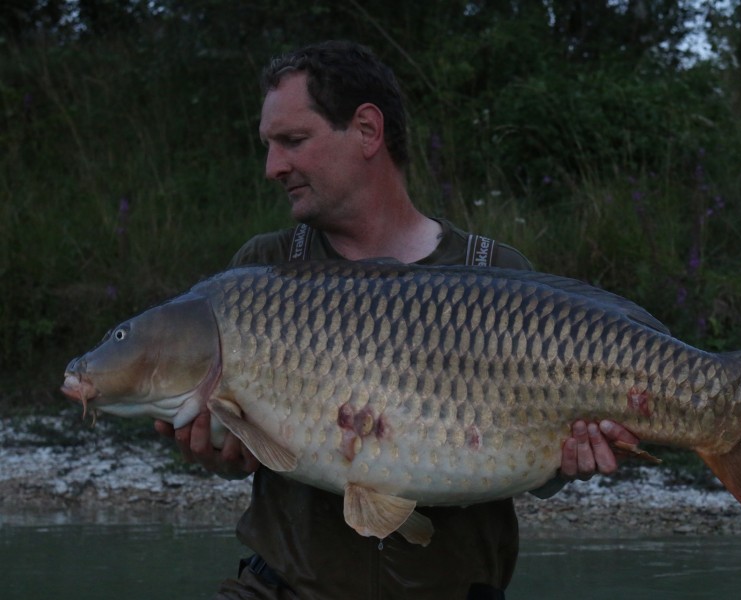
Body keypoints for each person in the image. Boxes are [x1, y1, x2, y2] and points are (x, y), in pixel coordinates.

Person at [155, 40, 639, 599]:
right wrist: (219, 455)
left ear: (366, 130)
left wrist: (568, 462)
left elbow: (536, 458)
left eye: (292, 141)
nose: (272, 167)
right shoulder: (262, 272)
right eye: (268, 146)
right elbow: (243, 455)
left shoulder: (498, 275)